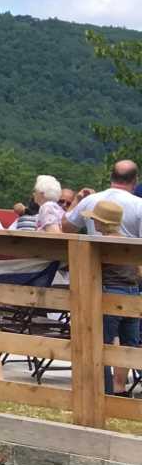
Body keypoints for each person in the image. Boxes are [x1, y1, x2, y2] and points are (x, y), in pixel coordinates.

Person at [66, 162, 142, 396]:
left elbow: (66, 226)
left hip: (107, 293)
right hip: (132, 293)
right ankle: (121, 390)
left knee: (103, 342)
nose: (93, 222)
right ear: (135, 179)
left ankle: (104, 391)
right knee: (130, 344)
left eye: (95, 220)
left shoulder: (101, 245)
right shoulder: (129, 243)